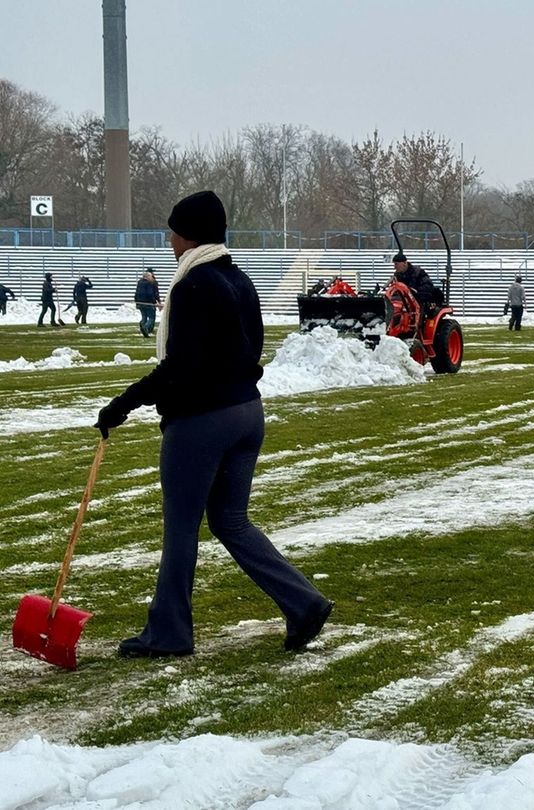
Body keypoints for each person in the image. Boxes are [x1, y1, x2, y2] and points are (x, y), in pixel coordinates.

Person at [94, 190, 332, 658]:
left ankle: (170, 633)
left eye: (174, 231)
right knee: (230, 520)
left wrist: (122, 404)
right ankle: (303, 604)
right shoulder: (240, 280)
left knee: (181, 529)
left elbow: (178, 368)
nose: (169, 240)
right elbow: (250, 351)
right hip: (247, 414)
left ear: (190, 235)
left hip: (201, 423)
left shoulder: (193, 286)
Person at [135, 269, 161, 337]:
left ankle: (143, 327)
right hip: (148, 303)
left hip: (140, 302)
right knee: (152, 317)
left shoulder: (139, 282)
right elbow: (151, 293)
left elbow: (136, 293)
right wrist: (154, 301)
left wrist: (137, 301)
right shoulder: (150, 283)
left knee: (144, 317)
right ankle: (146, 328)